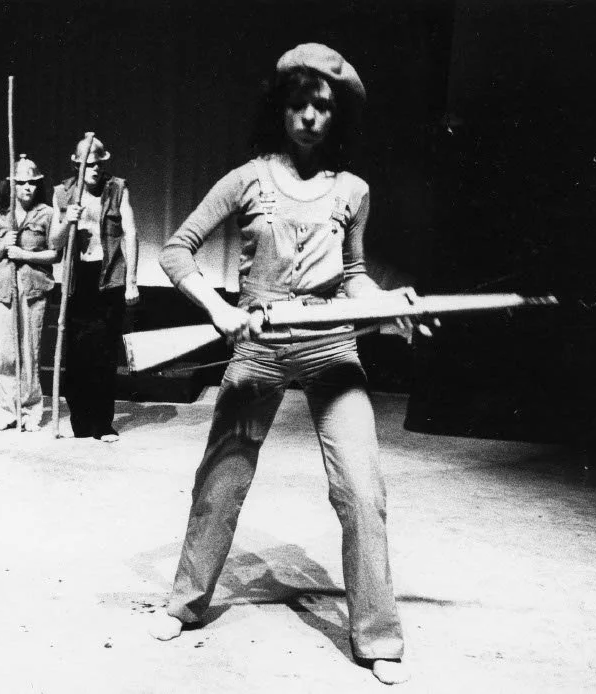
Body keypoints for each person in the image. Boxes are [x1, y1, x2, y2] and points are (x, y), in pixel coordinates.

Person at [149, 44, 424, 685]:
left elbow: (353, 275)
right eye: (297, 103)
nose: (308, 116)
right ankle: (185, 604)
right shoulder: (246, 180)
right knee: (222, 480)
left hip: (332, 347)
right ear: (281, 109)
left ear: (337, 117)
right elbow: (175, 250)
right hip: (259, 344)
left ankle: (378, 638)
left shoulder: (353, 191)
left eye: (322, 106)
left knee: (362, 490)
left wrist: (386, 302)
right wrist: (218, 308)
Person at [51, 136, 140, 442]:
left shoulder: (117, 188)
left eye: (99, 163)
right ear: (77, 164)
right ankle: (81, 421)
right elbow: (54, 242)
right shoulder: (63, 193)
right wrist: (67, 221)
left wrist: (131, 281)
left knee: (104, 354)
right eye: (89, 164)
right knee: (77, 356)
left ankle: (102, 424)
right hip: (78, 281)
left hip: (110, 276)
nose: (95, 169)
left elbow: (130, 232)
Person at [0, 155, 58, 432]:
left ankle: (30, 410)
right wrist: (5, 244)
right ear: (12, 185)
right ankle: (6, 410)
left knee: (30, 353)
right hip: (3, 291)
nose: (27, 188)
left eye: (32, 183)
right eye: (21, 183)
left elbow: (55, 254)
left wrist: (24, 254)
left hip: (33, 290)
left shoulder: (47, 214)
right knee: (5, 355)